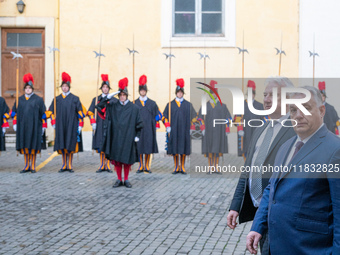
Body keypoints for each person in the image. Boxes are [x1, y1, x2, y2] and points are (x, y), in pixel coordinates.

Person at [247, 86, 340, 255]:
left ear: (321, 110)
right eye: (294, 109)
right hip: (275, 246)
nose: (298, 115)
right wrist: (258, 226)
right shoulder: (285, 147)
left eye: (306, 108)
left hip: (309, 249)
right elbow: (272, 189)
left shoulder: (335, 150)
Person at [227, 77, 296, 254]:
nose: (266, 100)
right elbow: (247, 170)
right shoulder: (260, 130)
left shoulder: (295, 131)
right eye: (265, 94)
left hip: (280, 213)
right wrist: (236, 205)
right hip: (259, 210)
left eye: (272, 95)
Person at [96, 77, 143, 188]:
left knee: (126, 160)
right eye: (120, 95)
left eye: (123, 95)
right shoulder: (113, 106)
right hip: (116, 137)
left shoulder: (134, 108)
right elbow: (99, 106)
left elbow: (139, 123)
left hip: (128, 137)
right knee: (117, 160)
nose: (122, 97)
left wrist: (137, 136)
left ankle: (126, 179)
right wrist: (107, 98)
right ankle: (118, 179)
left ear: (126, 95)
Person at [47, 72, 86, 172]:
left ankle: (70, 164)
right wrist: (53, 122)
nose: (64, 88)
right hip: (60, 125)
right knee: (62, 145)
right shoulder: (57, 99)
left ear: (69, 87)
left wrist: (80, 124)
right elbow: (51, 112)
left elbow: (80, 113)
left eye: (66, 86)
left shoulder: (75, 99)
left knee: (70, 144)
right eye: (63, 86)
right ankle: (64, 164)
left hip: (71, 125)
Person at [11, 73, 47, 173]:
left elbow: (43, 114)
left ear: (32, 89)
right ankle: (26, 165)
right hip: (23, 127)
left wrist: (43, 126)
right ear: (24, 89)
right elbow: (14, 112)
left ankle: (33, 166)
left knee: (33, 147)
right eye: (26, 88)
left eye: (29, 88)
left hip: (35, 127)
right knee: (25, 147)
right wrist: (14, 123)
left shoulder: (38, 100)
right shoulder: (19, 100)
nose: (28, 89)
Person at [162, 78, 197, 174]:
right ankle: (176, 167)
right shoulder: (170, 105)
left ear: (183, 93)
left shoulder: (188, 105)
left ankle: (183, 166)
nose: (180, 94)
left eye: (181, 92)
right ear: (176, 93)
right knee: (175, 149)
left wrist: (192, 127)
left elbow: (194, 117)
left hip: (184, 131)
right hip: (174, 130)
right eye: (178, 92)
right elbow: (164, 117)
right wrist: (167, 126)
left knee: (183, 149)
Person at [197, 80, 232, 173]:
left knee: (217, 150)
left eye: (215, 93)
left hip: (219, 131)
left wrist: (226, 127)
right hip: (208, 131)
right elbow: (200, 118)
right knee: (209, 151)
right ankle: (210, 167)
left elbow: (229, 118)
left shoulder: (223, 106)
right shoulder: (205, 105)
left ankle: (216, 167)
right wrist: (202, 128)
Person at [134, 75, 162, 174]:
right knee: (140, 147)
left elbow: (159, 114)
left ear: (146, 91)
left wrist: (156, 120)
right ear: (139, 91)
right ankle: (140, 165)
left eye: (144, 90)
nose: (142, 91)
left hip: (149, 129)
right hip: (139, 129)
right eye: (141, 90)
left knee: (148, 147)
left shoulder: (152, 103)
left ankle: (147, 166)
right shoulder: (135, 103)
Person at [87, 74, 113, 173]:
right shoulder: (96, 100)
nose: (105, 89)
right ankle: (102, 164)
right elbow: (90, 112)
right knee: (100, 145)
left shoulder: (113, 99)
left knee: (108, 145)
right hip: (99, 124)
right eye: (104, 87)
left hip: (109, 126)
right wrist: (93, 122)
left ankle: (108, 164)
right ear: (101, 88)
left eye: (107, 87)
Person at [234, 80, 264, 158]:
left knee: (255, 151)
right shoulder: (241, 104)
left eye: (252, 93)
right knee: (245, 150)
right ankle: (246, 167)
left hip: (256, 131)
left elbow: (265, 119)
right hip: (245, 131)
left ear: (254, 94)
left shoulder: (260, 106)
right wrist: (240, 129)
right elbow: (237, 118)